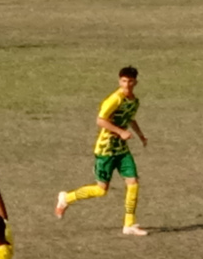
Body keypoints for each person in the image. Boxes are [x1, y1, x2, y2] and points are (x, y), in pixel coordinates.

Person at [55, 66, 148, 236]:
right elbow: (100, 120)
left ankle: (129, 224)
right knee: (101, 190)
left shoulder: (134, 100)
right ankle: (66, 198)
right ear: (119, 81)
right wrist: (120, 132)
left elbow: (130, 118)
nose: (127, 84)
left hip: (121, 150)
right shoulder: (114, 99)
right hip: (106, 149)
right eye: (124, 81)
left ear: (136, 82)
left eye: (130, 81)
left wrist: (141, 135)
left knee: (133, 183)